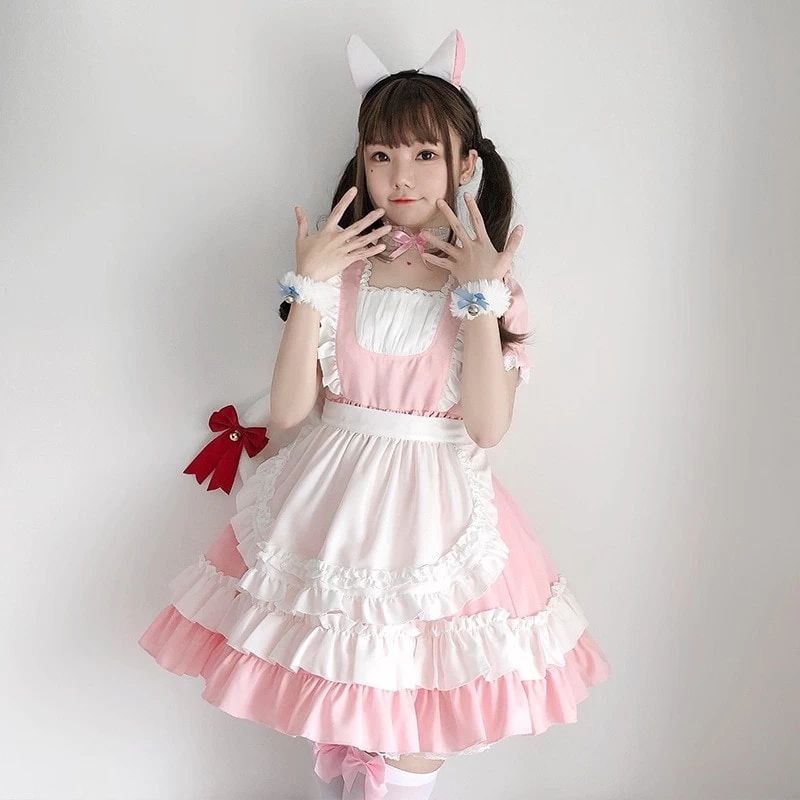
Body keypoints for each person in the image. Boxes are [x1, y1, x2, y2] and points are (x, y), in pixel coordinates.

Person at [139, 29, 611, 800]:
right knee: (348, 704)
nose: (401, 174)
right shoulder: (342, 275)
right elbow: (291, 411)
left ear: (466, 165)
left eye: (425, 153)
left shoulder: (492, 289)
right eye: (381, 154)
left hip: (437, 517)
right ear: (360, 162)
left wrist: (481, 298)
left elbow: (488, 428)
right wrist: (310, 284)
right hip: (332, 511)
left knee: (413, 731)